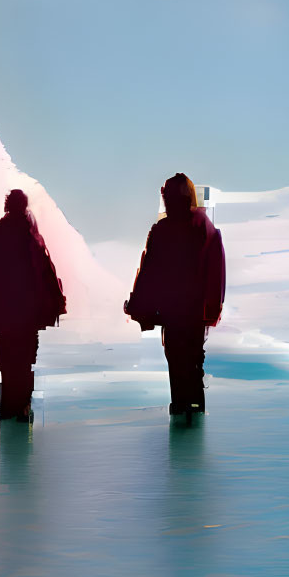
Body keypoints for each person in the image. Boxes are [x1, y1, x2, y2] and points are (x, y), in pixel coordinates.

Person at [124, 173, 225, 422]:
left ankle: (182, 409)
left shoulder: (162, 230)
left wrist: (138, 305)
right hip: (196, 312)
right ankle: (193, 409)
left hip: (172, 311)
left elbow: (149, 272)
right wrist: (212, 308)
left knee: (177, 361)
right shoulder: (208, 230)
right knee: (193, 360)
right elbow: (217, 273)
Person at [0, 188, 67, 422]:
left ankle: (8, 409)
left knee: (7, 364)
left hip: (3, 311)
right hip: (26, 311)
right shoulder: (28, 233)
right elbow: (43, 270)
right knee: (24, 362)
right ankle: (23, 407)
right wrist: (54, 301)